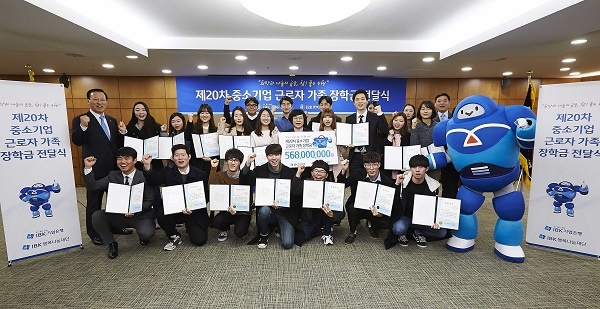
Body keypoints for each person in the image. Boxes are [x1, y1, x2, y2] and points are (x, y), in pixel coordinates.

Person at [71, 88, 131, 246]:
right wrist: (83, 127)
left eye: (102, 99)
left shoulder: (111, 120)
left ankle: (116, 226)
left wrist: (123, 133)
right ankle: (94, 232)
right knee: (93, 203)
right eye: (95, 99)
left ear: (106, 101)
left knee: (115, 201)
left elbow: (116, 144)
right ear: (88, 101)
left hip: (113, 169)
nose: (99, 102)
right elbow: (77, 140)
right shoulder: (81, 119)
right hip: (95, 169)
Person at [82, 147, 155, 259]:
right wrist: (88, 167)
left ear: (135, 160)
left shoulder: (143, 176)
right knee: (97, 216)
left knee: (147, 233)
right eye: (119, 159)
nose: (123, 162)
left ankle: (143, 236)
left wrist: (134, 211)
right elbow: (93, 187)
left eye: (127, 158)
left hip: (140, 215)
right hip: (118, 215)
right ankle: (111, 243)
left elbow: (149, 200)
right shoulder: (112, 176)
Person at [141, 144, 210, 251]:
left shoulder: (200, 174)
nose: (180, 158)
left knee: (199, 240)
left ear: (189, 156)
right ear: (172, 158)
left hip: (194, 212)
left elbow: (206, 196)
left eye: (183, 155)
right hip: (175, 210)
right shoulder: (167, 172)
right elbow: (153, 181)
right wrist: (147, 165)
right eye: (177, 155)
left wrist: (193, 209)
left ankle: (190, 228)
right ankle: (173, 234)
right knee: (161, 212)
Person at [240, 144, 302, 249]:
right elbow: (244, 182)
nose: (274, 158)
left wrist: (283, 205)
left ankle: (278, 226)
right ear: (266, 157)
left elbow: (295, 196)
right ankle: (264, 235)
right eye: (270, 155)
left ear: (281, 155)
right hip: (267, 209)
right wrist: (248, 163)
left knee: (287, 244)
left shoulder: (289, 172)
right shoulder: (259, 170)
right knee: (264, 210)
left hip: (284, 212)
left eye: (277, 154)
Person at [337, 151, 399, 245]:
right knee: (351, 207)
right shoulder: (358, 174)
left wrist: (380, 214)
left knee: (385, 223)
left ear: (379, 165)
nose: (371, 168)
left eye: (374, 165)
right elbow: (342, 186)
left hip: (375, 208)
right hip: (358, 205)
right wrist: (343, 171)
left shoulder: (386, 181)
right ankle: (353, 231)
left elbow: (390, 201)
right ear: (364, 166)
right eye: (368, 165)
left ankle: (371, 224)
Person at [387, 154, 446, 249]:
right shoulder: (403, 181)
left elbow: (435, 206)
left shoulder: (433, 185)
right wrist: (397, 184)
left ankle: (418, 233)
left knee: (442, 232)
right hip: (406, 217)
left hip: (423, 219)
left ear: (426, 169)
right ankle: (404, 232)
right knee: (398, 229)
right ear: (410, 169)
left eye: (421, 167)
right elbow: (391, 200)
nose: (417, 170)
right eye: (414, 167)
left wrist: (435, 220)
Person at [292, 160, 343, 245]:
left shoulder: (332, 187)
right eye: (316, 171)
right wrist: (298, 173)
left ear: (326, 175)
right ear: (311, 173)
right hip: (311, 218)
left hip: (326, 216)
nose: (318, 174)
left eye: (322, 171)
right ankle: (320, 230)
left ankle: (327, 231)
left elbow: (342, 213)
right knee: (300, 238)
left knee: (327, 213)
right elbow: (294, 190)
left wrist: (332, 215)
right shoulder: (307, 183)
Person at [208, 148, 251, 241]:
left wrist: (238, 208)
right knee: (215, 222)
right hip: (226, 210)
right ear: (226, 162)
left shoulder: (245, 176)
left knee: (240, 233)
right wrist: (213, 168)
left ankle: (243, 226)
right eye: (230, 160)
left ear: (240, 163)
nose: (233, 163)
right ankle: (225, 229)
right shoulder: (220, 175)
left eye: (236, 160)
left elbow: (248, 197)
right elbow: (212, 188)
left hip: (242, 212)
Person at [345, 90, 388, 175]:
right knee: (354, 182)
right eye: (357, 99)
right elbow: (347, 136)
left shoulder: (375, 117)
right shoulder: (349, 119)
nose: (360, 101)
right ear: (354, 103)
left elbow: (384, 131)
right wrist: (347, 143)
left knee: (370, 182)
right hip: (355, 156)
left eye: (362, 99)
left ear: (366, 101)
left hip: (371, 155)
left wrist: (380, 113)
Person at [433, 93, 460, 199]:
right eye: (439, 101)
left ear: (449, 103)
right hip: (435, 155)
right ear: (435, 104)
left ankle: (449, 207)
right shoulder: (431, 119)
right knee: (434, 184)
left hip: (452, 156)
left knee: (451, 185)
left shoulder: (455, 119)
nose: (442, 103)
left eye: (445, 100)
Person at [410, 100, 440, 180]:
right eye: (422, 109)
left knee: (434, 185)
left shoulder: (438, 126)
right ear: (419, 111)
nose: (425, 111)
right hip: (420, 163)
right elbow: (414, 145)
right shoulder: (416, 126)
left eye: (428, 109)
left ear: (433, 111)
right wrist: (413, 128)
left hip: (435, 161)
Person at [318, 108, 348, 181]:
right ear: (322, 119)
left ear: (333, 119)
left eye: (330, 117)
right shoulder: (317, 133)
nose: (327, 119)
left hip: (336, 164)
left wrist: (337, 137)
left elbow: (343, 150)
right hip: (322, 165)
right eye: (325, 117)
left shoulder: (338, 132)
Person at [382, 112, 411, 181]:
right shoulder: (386, 134)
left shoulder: (407, 136)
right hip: (387, 168)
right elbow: (382, 150)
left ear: (404, 123)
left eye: (401, 121)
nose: (397, 123)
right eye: (395, 120)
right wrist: (390, 137)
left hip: (402, 168)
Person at [191, 104, 219, 172]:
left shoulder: (216, 130)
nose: (204, 115)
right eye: (202, 113)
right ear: (199, 115)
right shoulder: (193, 129)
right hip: (196, 163)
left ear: (211, 115)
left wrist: (211, 159)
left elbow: (219, 148)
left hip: (212, 163)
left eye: (207, 113)